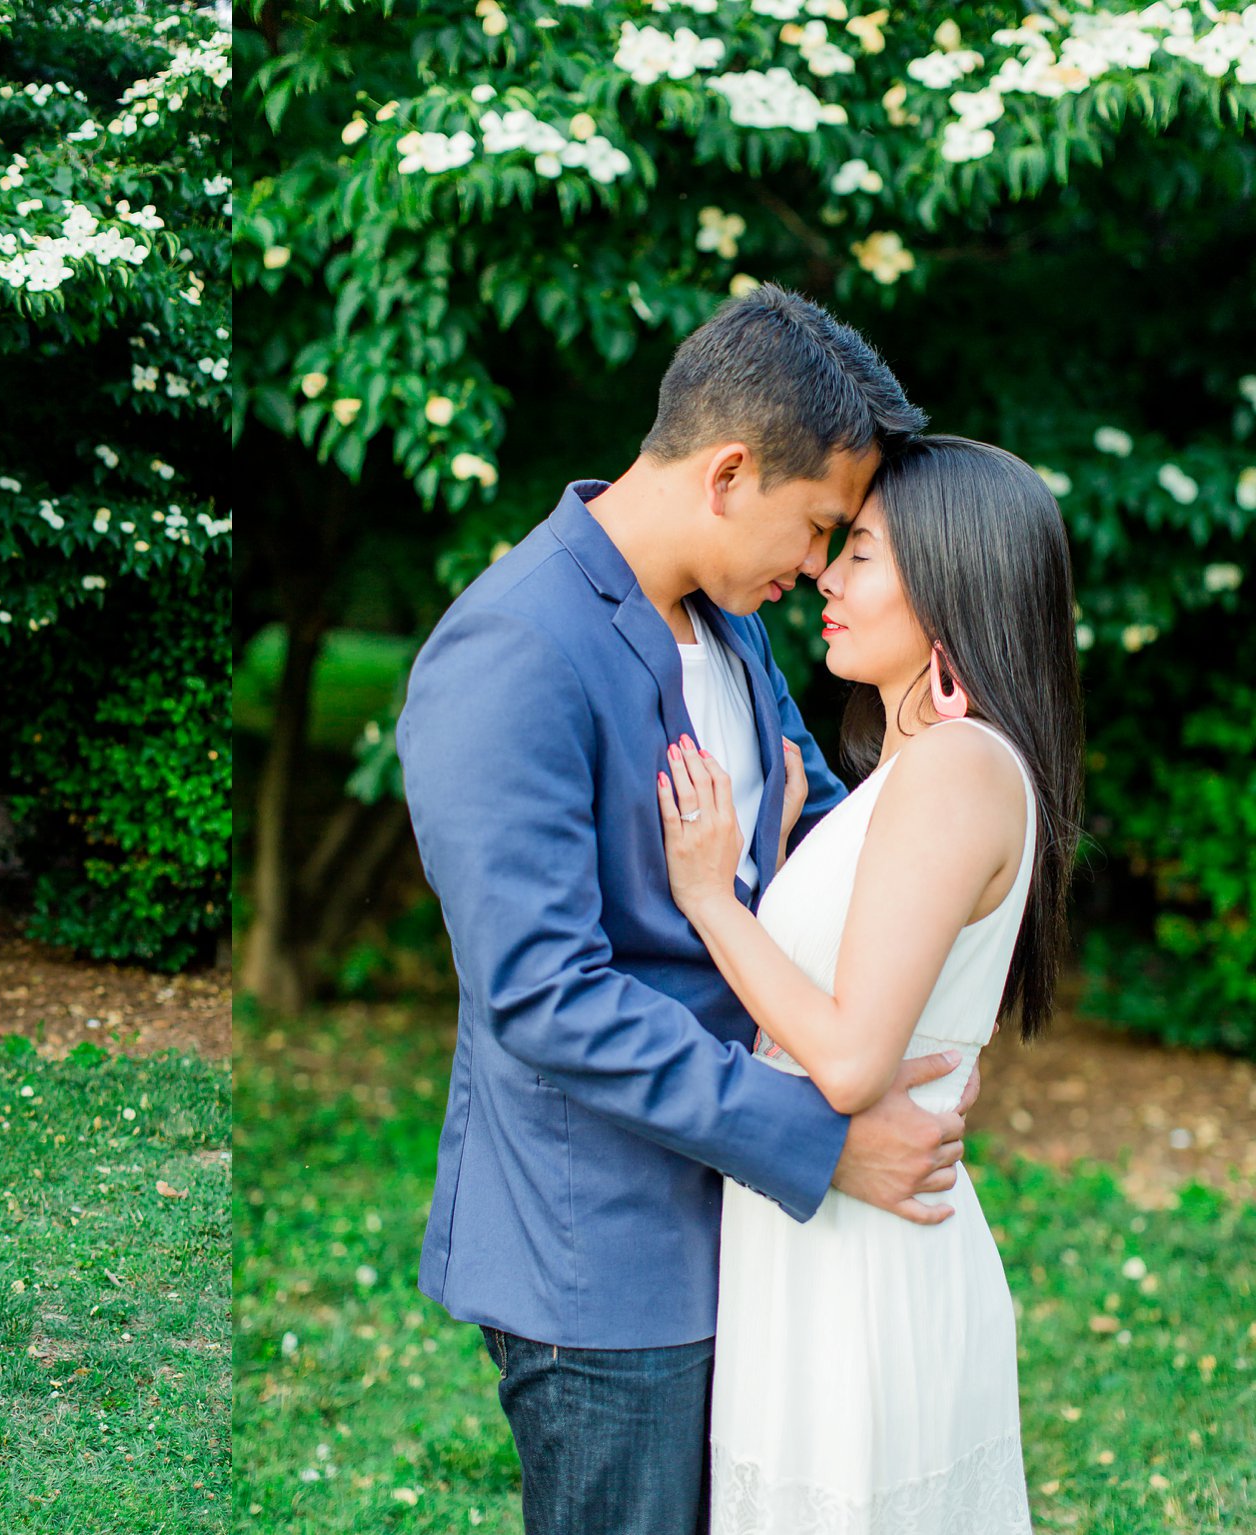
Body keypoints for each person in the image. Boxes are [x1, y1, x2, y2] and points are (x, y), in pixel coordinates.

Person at [395, 284, 979, 1534]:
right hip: (604, 1259)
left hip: (750, 1239)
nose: (820, 564)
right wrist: (823, 1137)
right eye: (819, 524)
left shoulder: (729, 621)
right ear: (726, 473)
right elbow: (546, 995)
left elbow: (823, 833)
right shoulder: (510, 647)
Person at [658, 436, 1082, 1533]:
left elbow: (846, 1060)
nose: (825, 578)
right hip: (824, 1241)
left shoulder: (955, 767)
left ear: (952, 582)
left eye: (862, 553)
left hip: (864, 1268)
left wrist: (713, 899)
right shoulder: (914, 774)